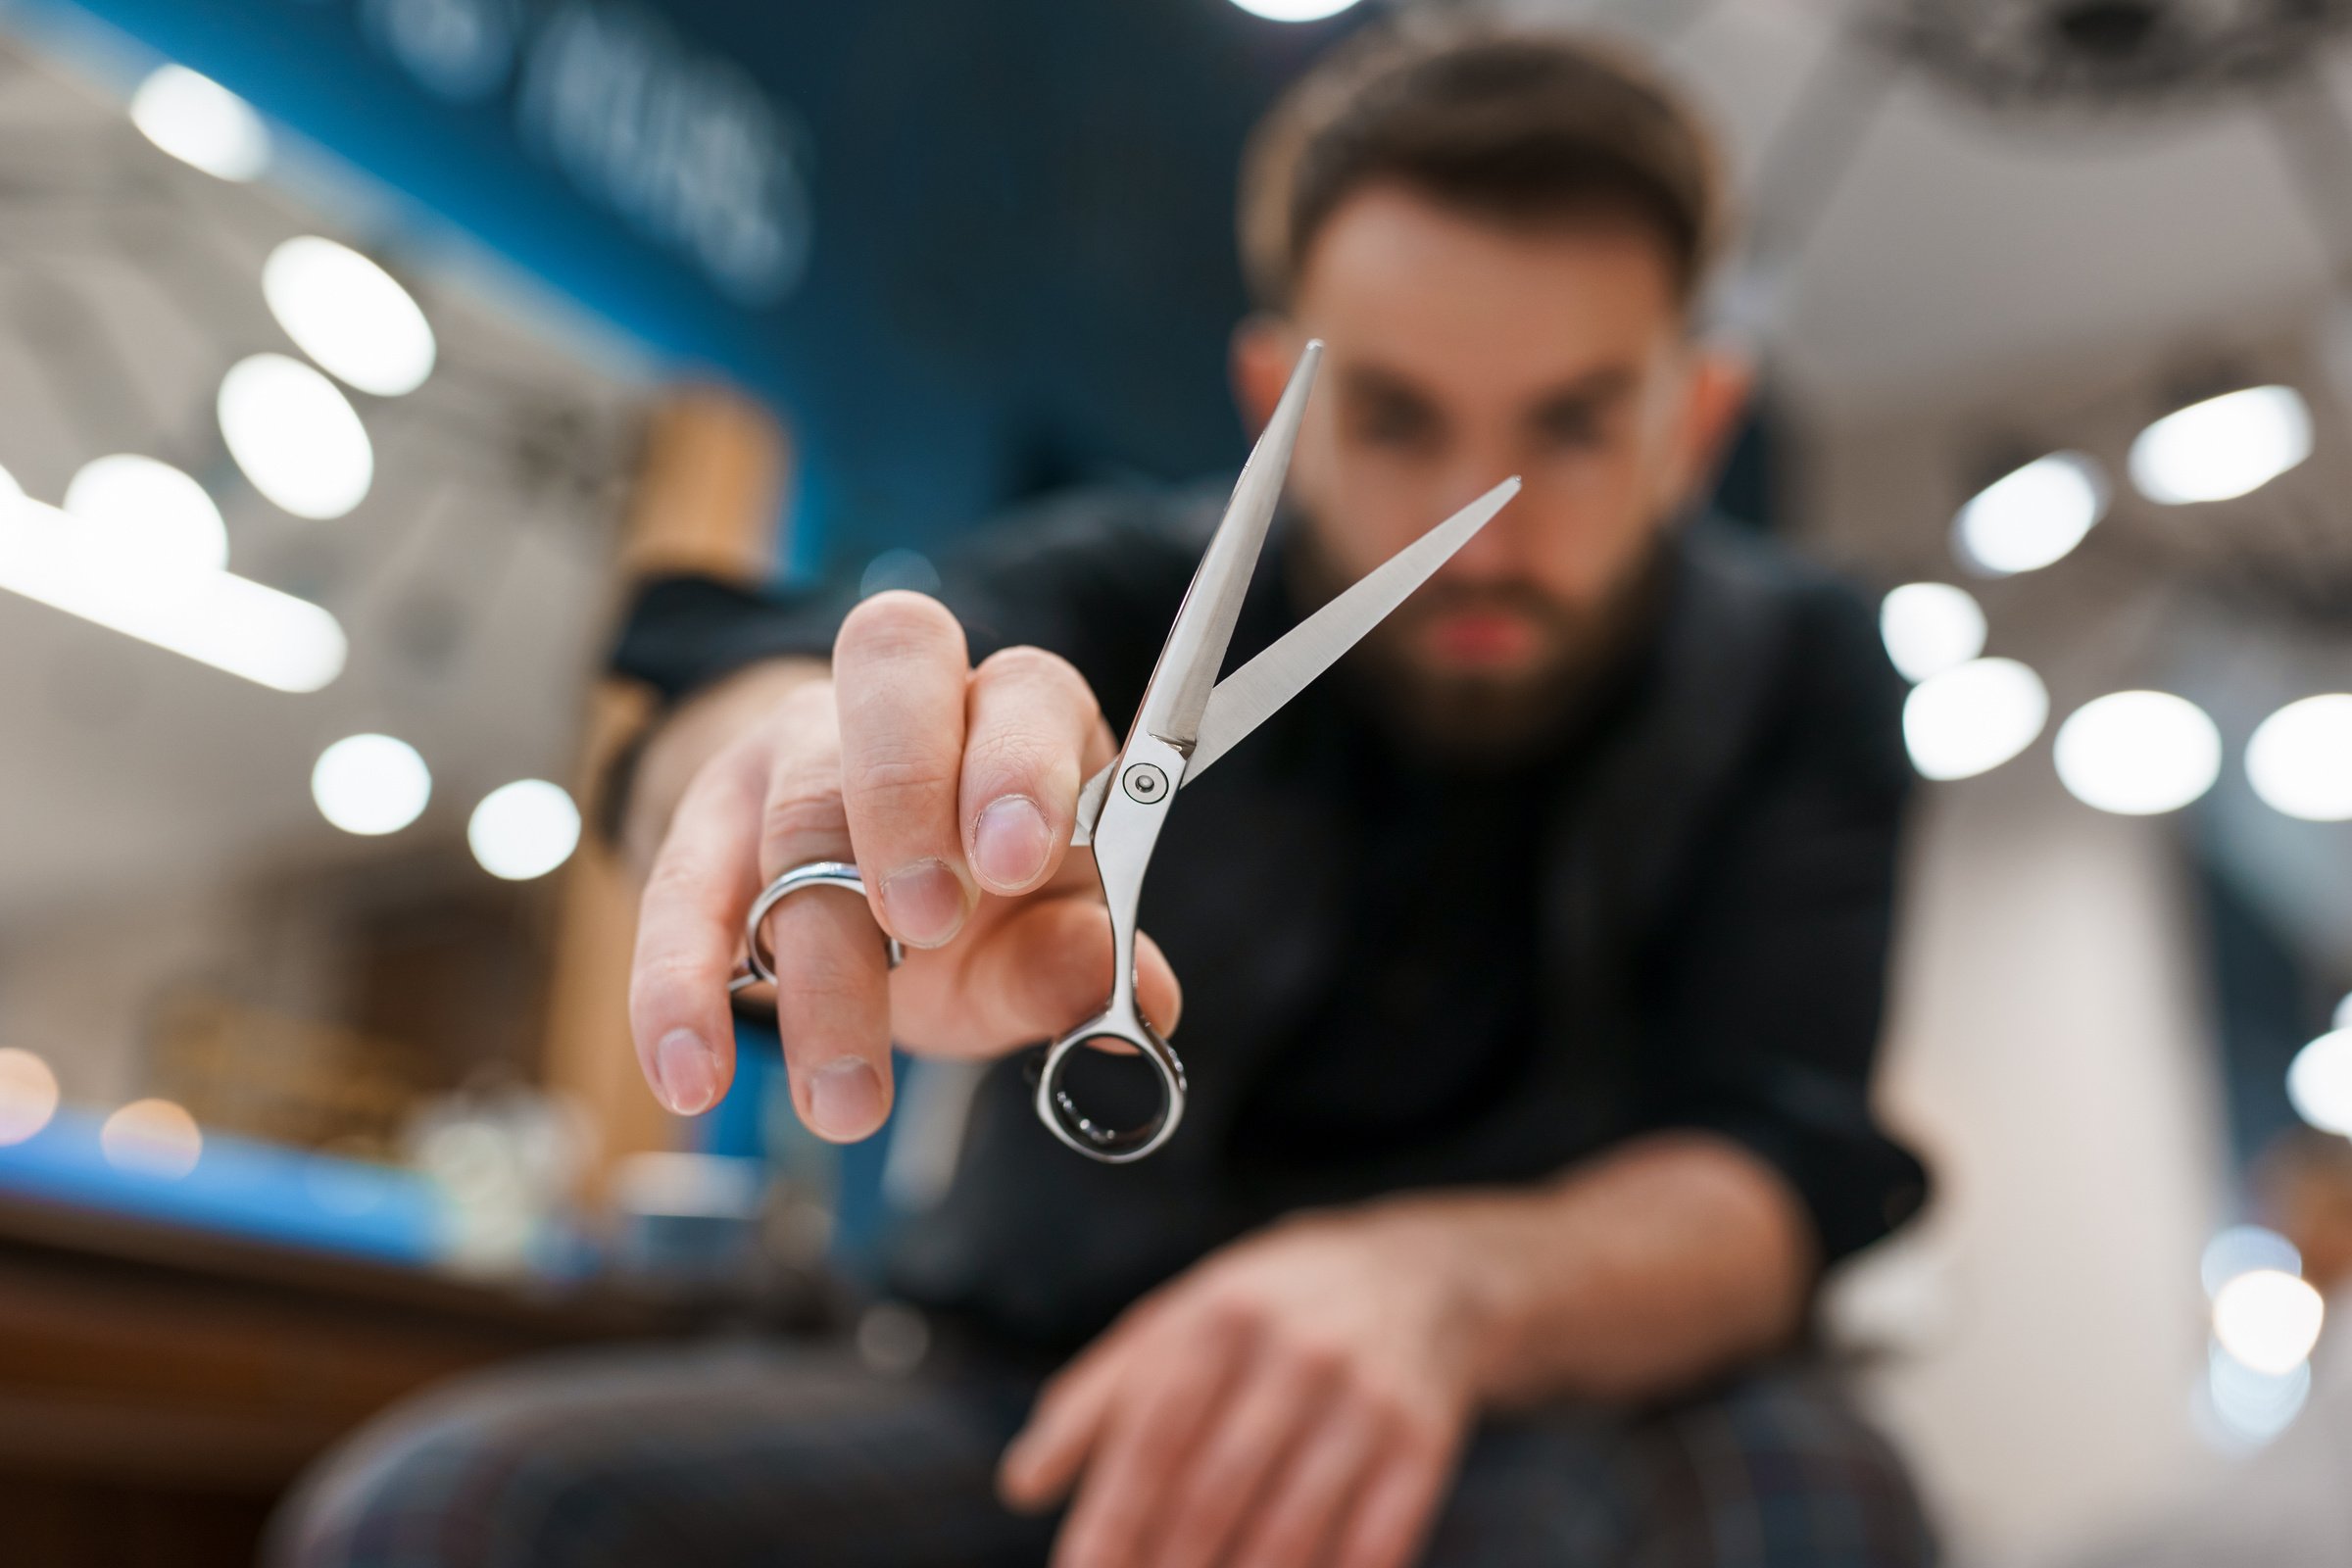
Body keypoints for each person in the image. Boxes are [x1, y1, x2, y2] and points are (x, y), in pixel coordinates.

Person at [276, 20, 1935, 1568]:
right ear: (1270, 394)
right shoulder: (1131, 588)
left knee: (1822, 1500)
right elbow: (797, 662)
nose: (1476, 538)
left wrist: (1451, 1289)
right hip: (1016, 1395)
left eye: (1569, 430)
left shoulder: (1801, 670)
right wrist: (788, 767)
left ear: (1696, 417)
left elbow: (1776, 1167)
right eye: (1393, 416)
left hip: (1537, 1415)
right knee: (466, 1510)